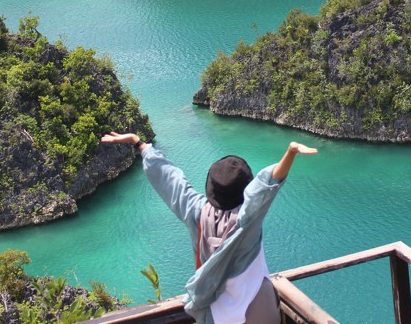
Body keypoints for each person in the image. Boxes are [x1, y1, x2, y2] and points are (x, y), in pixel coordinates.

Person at [102, 131, 317, 324]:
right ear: (245, 188)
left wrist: (139, 143)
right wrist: (290, 153)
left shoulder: (196, 212)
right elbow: (265, 188)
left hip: (217, 312)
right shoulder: (246, 219)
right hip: (257, 307)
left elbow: (170, 180)